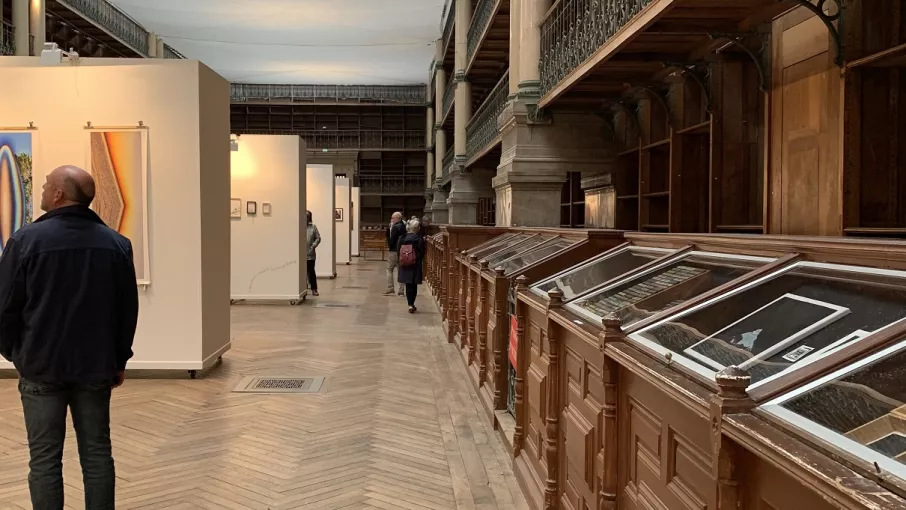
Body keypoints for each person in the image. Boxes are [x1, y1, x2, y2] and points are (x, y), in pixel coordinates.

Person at [0, 165, 139, 510]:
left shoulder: (25, 241)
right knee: (97, 453)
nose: (43, 190)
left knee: (44, 458)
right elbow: (127, 311)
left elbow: (4, 306)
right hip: (95, 367)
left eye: (46, 185)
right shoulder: (117, 244)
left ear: (60, 194)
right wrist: (119, 359)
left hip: (40, 366)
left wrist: (14, 353)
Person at [397, 219, 426, 313]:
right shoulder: (418, 239)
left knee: (408, 284)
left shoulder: (402, 238)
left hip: (404, 263)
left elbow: (398, 251)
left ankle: (409, 304)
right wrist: (418, 260)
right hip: (415, 264)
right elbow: (422, 252)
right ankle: (412, 303)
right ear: (417, 228)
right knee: (414, 285)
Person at [384, 211, 406, 296]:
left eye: (392, 218)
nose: (391, 219)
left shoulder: (395, 227)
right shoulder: (404, 226)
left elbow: (391, 241)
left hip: (393, 251)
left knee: (389, 269)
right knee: (400, 270)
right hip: (402, 251)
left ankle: (390, 288)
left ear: (397, 218)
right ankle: (401, 290)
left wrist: (388, 231)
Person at [306, 210, 321, 297]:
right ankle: (302, 288)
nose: (306, 218)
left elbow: (318, 238)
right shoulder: (299, 227)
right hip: (300, 254)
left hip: (310, 254)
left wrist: (314, 245)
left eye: (307, 217)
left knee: (311, 272)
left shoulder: (313, 227)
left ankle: (314, 289)